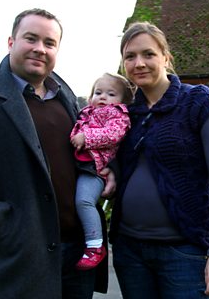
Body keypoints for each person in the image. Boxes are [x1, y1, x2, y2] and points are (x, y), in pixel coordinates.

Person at [0, 8, 112, 298]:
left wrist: (102, 174)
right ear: (11, 42)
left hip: (77, 258)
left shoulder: (71, 101)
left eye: (49, 43)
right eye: (31, 38)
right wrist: (3, 227)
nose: (40, 49)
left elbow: (83, 157)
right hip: (20, 259)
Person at [109, 22, 209, 298]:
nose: (139, 63)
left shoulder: (199, 102)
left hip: (183, 252)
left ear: (165, 57)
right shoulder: (125, 113)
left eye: (148, 54)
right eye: (130, 56)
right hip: (130, 251)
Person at [70, 73, 132, 270]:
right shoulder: (86, 112)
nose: (103, 97)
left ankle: (95, 245)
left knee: (84, 201)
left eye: (111, 94)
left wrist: (85, 137)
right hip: (82, 166)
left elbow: (113, 135)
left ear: (123, 101)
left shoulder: (118, 114)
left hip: (96, 169)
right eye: (98, 92)